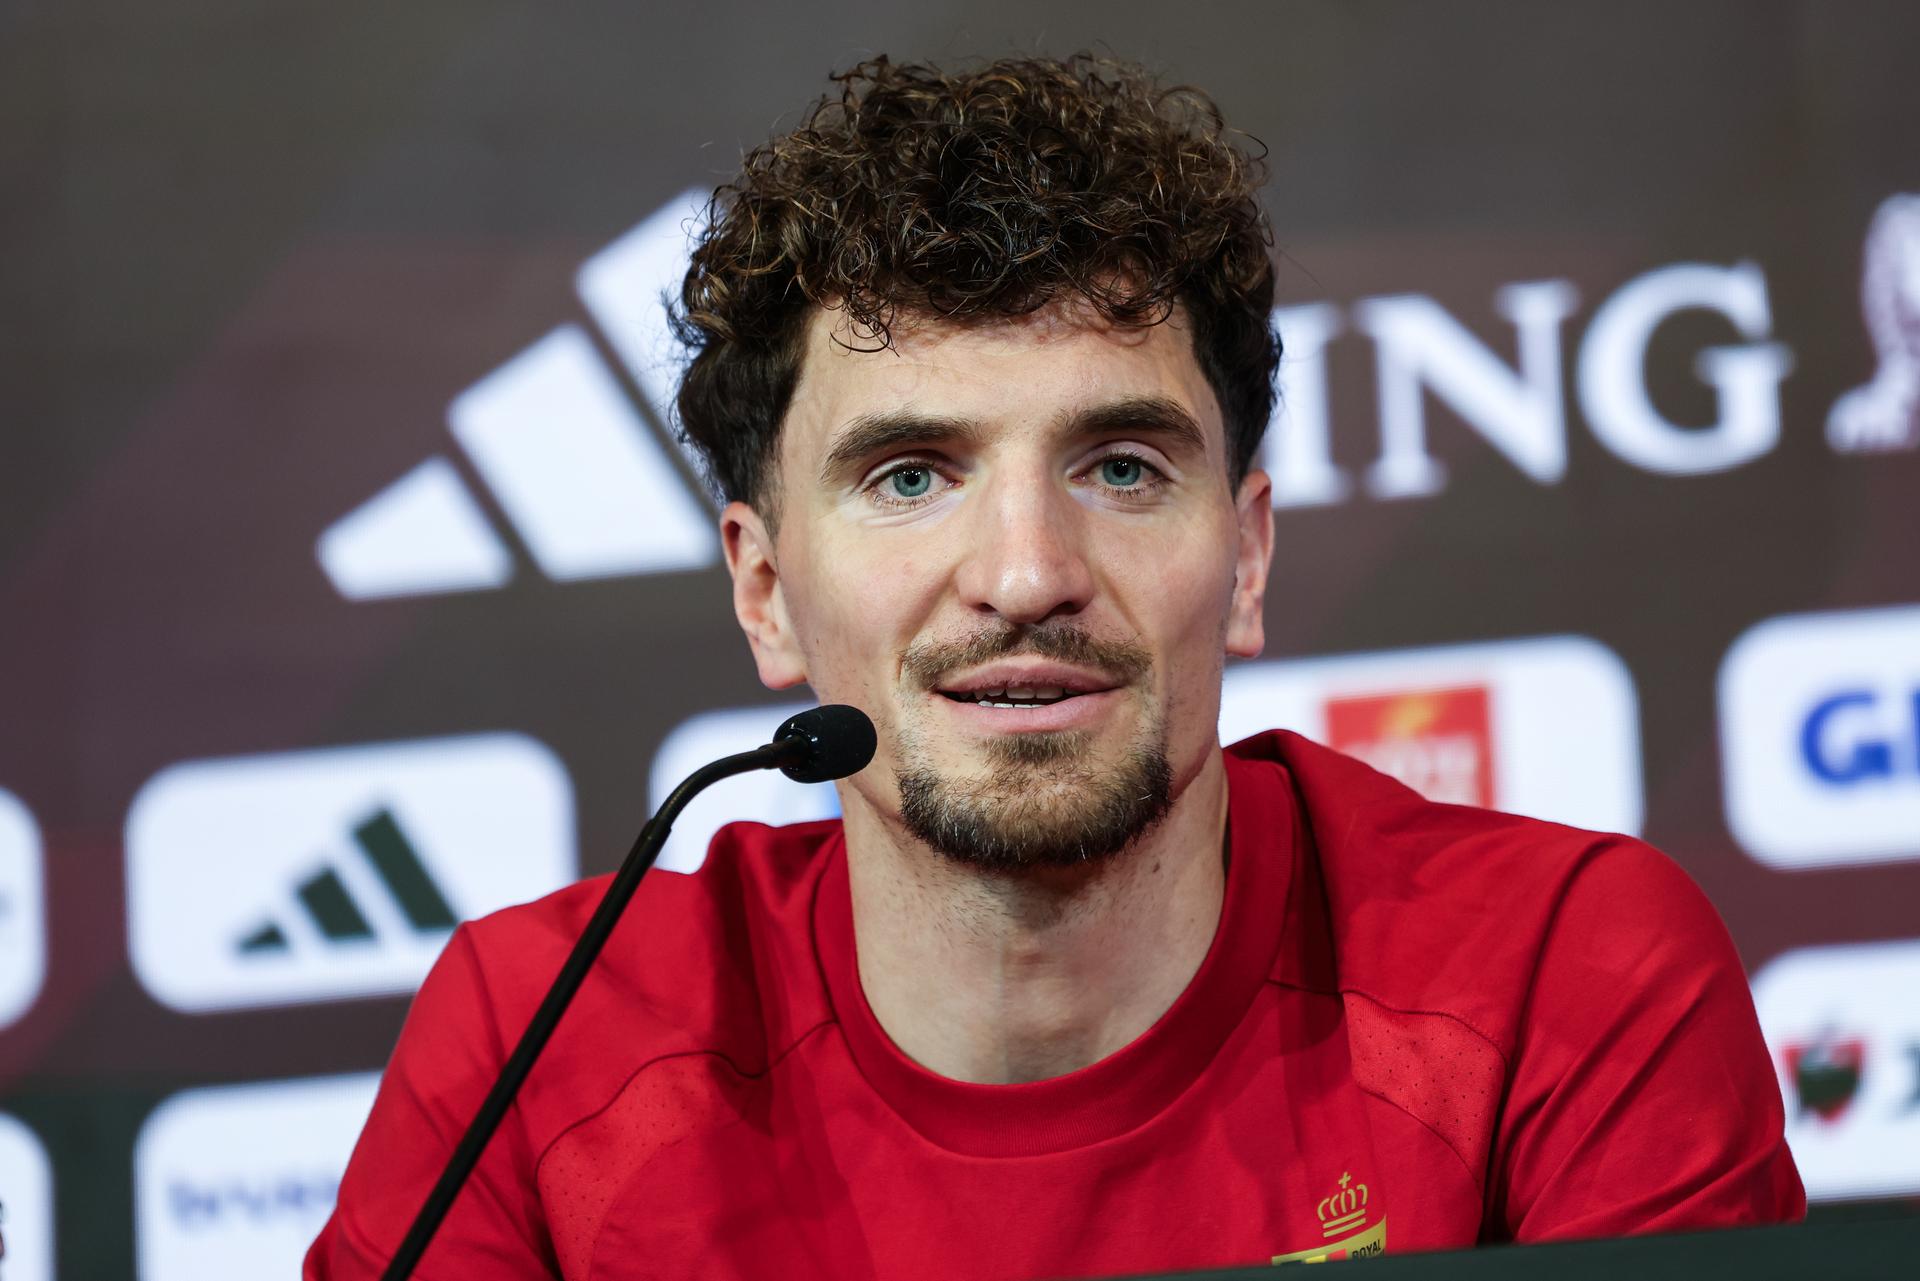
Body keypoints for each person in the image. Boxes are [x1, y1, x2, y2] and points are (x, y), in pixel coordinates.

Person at [305, 53, 1803, 1279]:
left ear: (1251, 557)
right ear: (765, 591)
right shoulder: (543, 1044)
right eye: (908, 476)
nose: (1026, 573)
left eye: (1124, 467)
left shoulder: (1566, 978)